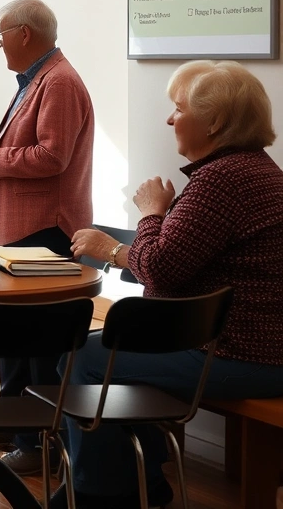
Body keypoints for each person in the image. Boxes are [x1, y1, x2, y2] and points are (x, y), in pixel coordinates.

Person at [60, 61, 283, 508]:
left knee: (83, 358)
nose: (169, 119)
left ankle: (99, 495)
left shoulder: (221, 181)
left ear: (214, 122)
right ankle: (141, 479)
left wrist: (148, 214)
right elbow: (175, 264)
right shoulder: (258, 170)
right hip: (258, 349)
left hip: (243, 356)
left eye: (179, 109)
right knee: (109, 351)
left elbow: (160, 269)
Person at [0, 0, 94, 476]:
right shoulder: (39, 79)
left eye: (1, 36)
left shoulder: (59, 82)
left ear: (24, 34)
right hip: (21, 228)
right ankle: (10, 421)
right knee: (12, 336)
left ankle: (37, 444)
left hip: (45, 231)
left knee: (37, 343)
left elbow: (53, 157)